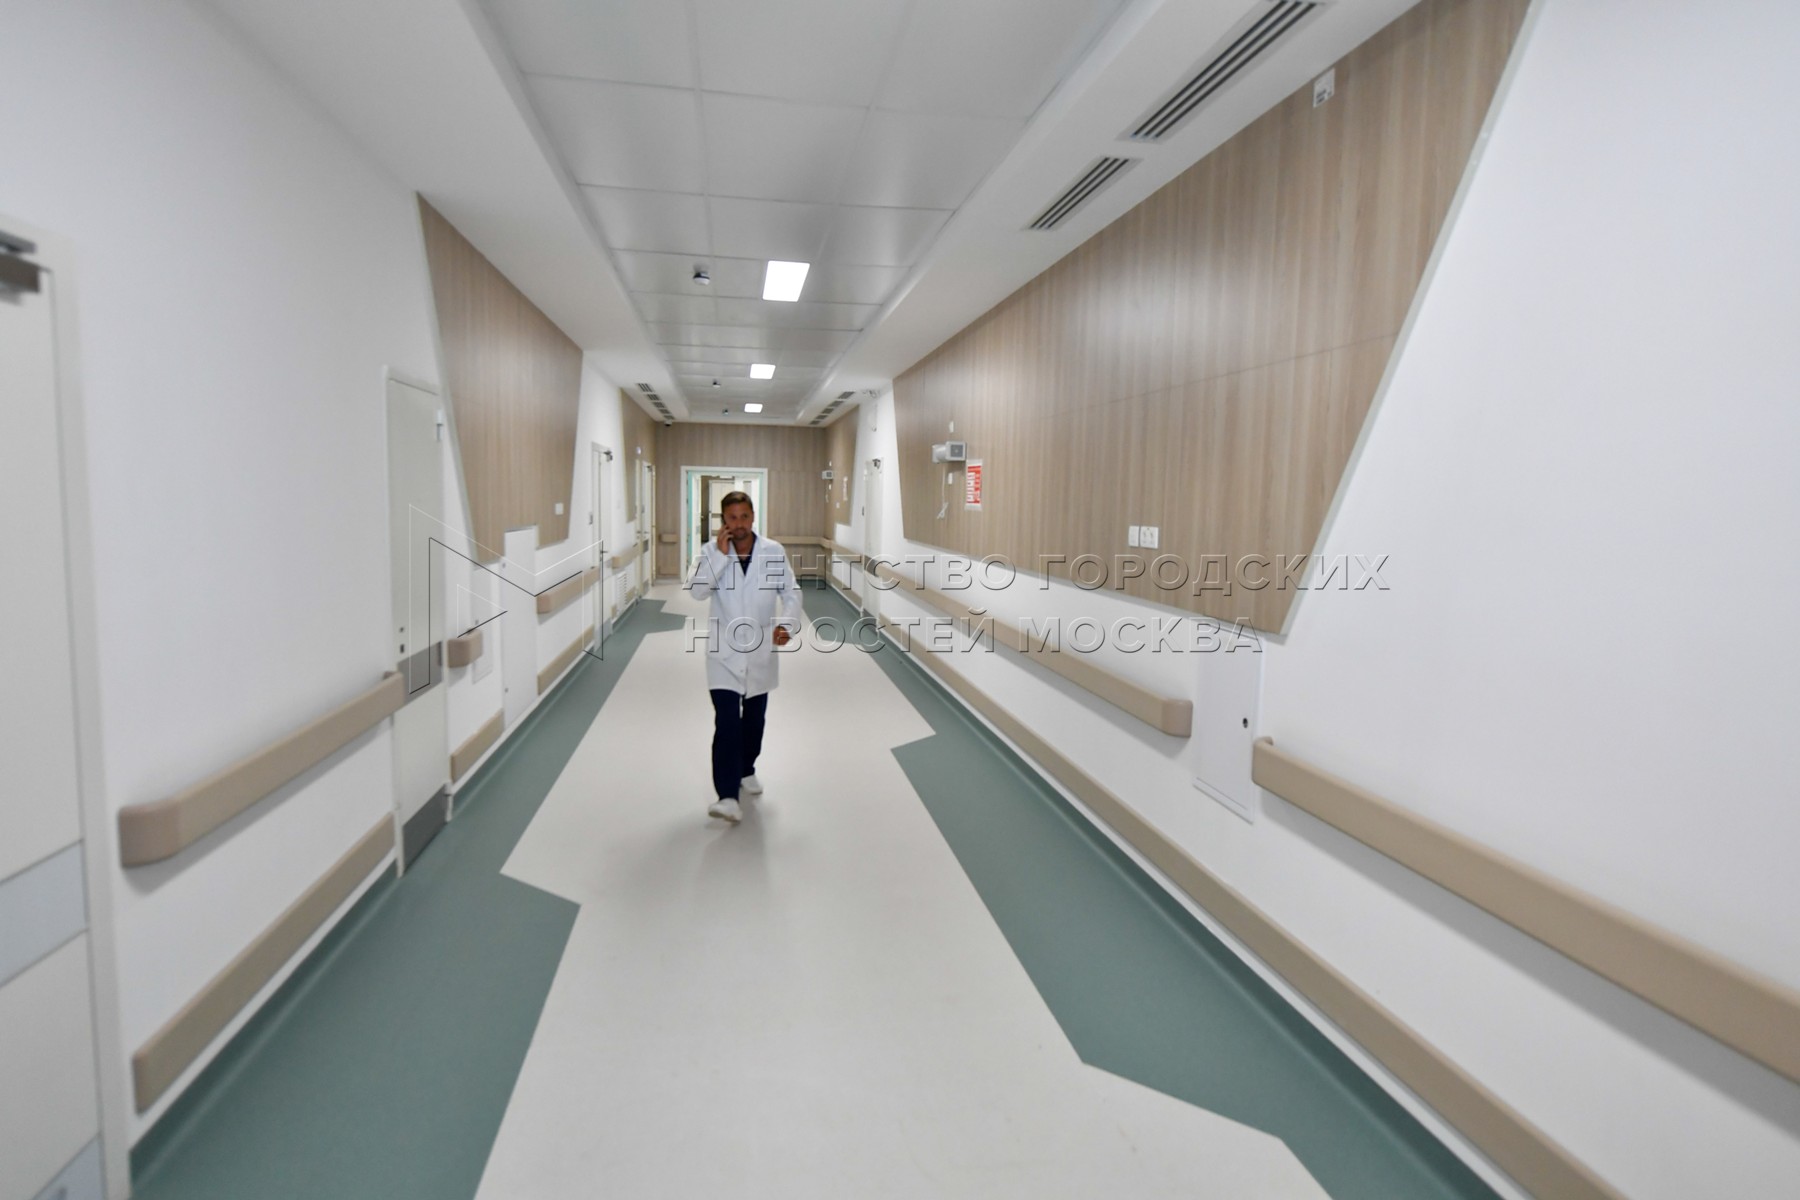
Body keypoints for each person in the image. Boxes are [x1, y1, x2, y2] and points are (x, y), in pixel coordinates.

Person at [687, 491, 804, 823]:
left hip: (760, 648)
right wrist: (720, 557)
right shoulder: (710, 552)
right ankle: (727, 796)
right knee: (726, 722)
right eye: (732, 518)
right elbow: (697, 591)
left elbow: (791, 592)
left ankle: (747, 768)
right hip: (723, 652)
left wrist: (787, 625)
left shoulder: (773, 551)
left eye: (744, 517)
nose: (738, 524)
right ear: (723, 520)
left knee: (754, 721)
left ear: (753, 517)